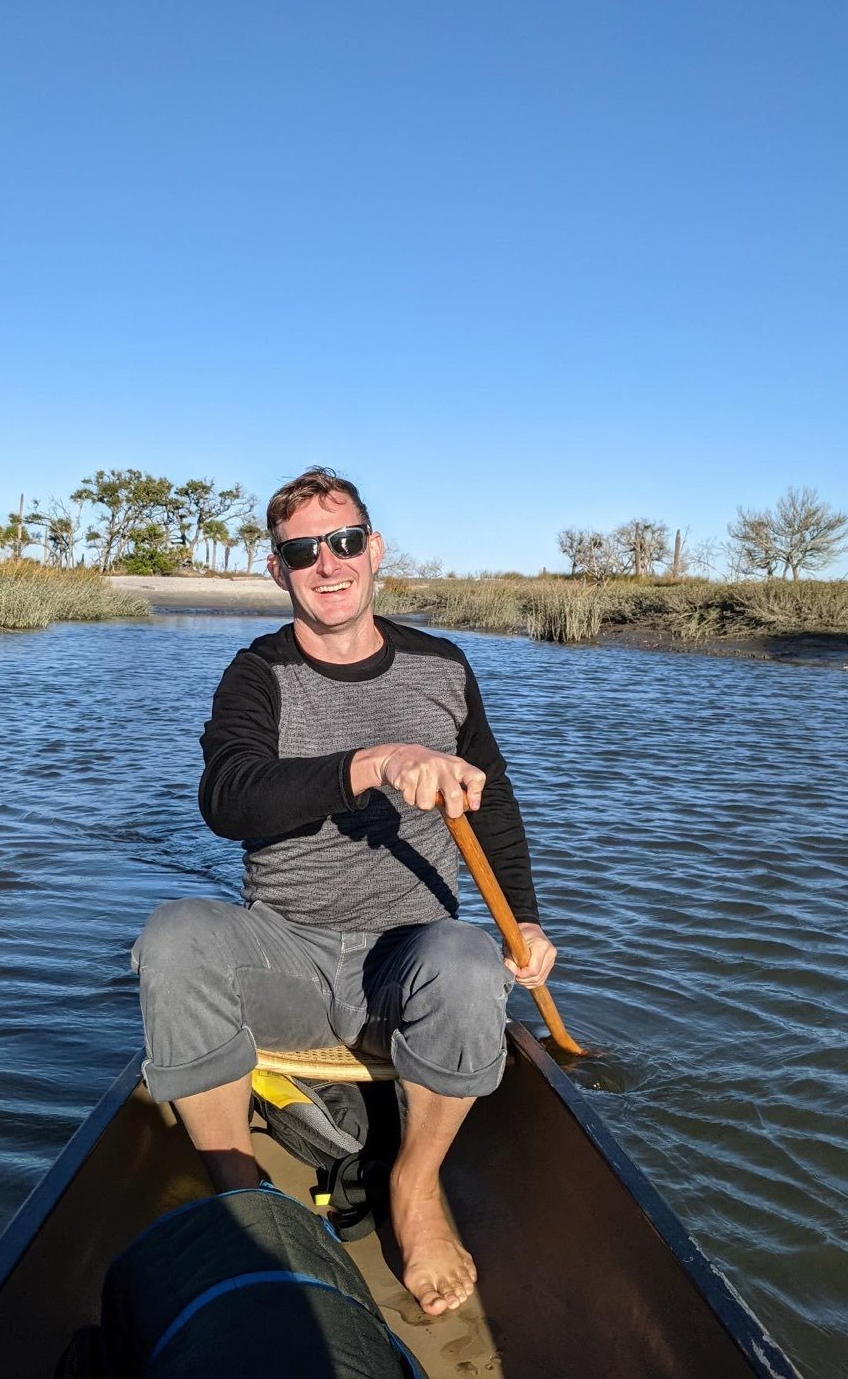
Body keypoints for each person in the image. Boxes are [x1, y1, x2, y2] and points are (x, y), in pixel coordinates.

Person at [131, 467, 557, 1318]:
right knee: (172, 938)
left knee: (470, 961)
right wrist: (373, 762)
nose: (327, 564)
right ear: (276, 569)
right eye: (302, 551)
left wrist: (526, 919)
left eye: (345, 541)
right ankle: (241, 1199)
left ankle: (415, 1187)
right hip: (283, 952)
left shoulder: (442, 666)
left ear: (375, 550)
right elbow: (228, 799)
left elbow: (494, 801)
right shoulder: (257, 674)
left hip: (408, 961)